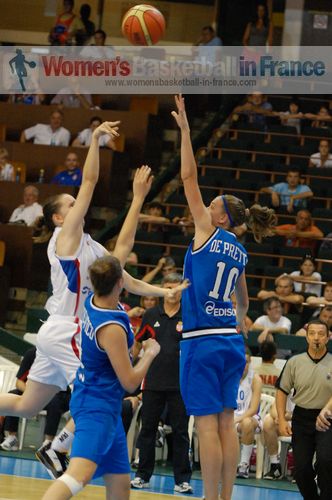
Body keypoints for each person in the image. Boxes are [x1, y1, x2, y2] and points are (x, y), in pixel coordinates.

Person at [31, 153, 187, 480]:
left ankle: (63, 449)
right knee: (103, 389)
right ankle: (58, 447)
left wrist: (164, 291)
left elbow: (124, 269)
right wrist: (96, 141)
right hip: (68, 329)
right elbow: (88, 182)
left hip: (65, 328)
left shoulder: (92, 247)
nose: (79, 206)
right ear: (59, 219)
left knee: (26, 406)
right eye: (71, 205)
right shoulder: (66, 239)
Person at [172, 94, 276, 500]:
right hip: (231, 342)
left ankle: (210, 498)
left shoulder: (206, 230)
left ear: (219, 218)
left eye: (212, 204)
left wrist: (184, 130)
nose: (206, 203)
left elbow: (187, 177)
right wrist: (235, 320)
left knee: (207, 425)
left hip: (201, 341)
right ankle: (227, 496)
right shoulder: (241, 251)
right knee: (227, 419)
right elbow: (245, 303)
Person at [41, 255, 161, 500]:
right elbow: (129, 382)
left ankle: (59, 446)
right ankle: (57, 449)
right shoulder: (111, 327)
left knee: (120, 484)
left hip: (104, 404)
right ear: (119, 283)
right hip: (97, 407)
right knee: (77, 476)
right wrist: (149, 354)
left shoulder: (94, 301)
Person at [131, 273, 193, 494]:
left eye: (176, 288)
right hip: (153, 383)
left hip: (180, 386)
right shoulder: (150, 315)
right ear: (162, 289)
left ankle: (182, 480)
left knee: (180, 432)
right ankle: (141, 476)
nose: (172, 291)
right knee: (147, 430)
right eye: (168, 287)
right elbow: (137, 344)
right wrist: (133, 366)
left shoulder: (190, 316)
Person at [276, 319, 332, 500]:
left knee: (326, 461)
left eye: (321, 334)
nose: (317, 338)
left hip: (327, 419)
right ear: (306, 337)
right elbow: (282, 391)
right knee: (300, 469)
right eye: (312, 334)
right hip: (301, 418)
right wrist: (282, 420)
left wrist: (326, 410)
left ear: (328, 337)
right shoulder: (294, 362)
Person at [0, 347, 70, 452]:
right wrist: (30, 394)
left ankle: (48, 442)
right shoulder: (31, 354)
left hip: (58, 394)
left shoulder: (63, 356)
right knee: (13, 394)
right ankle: (12, 437)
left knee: (54, 401)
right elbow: (19, 383)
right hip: (35, 394)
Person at [235, 351, 262, 479]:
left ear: (249, 363)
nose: (243, 364)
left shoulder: (255, 379)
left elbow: (254, 409)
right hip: (232, 417)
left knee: (246, 423)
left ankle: (244, 465)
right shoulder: (228, 375)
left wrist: (237, 420)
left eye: (246, 362)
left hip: (251, 418)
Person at [263, 396, 294, 480]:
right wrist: (279, 417)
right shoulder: (285, 385)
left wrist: (287, 416)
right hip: (284, 421)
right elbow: (273, 410)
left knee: (303, 425)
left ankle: (300, 470)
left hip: (300, 422)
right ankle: (275, 466)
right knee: (268, 422)